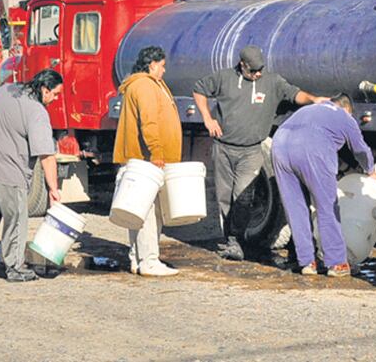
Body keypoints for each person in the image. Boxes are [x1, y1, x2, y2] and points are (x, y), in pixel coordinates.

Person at [193, 44, 325, 260]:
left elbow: (295, 94)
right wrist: (207, 118)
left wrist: (314, 100)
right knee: (225, 197)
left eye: (260, 69)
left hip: (252, 151)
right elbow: (199, 89)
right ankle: (232, 241)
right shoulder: (224, 78)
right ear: (242, 65)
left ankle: (237, 237)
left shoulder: (272, 82)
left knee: (243, 197)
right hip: (224, 148)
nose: (258, 74)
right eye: (253, 70)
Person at [0, 69, 62, 282]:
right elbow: (46, 155)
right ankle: (15, 268)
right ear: (45, 90)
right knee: (15, 219)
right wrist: (53, 189)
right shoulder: (36, 111)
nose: (56, 99)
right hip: (7, 171)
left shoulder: (5, 90)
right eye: (55, 94)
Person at [272, 93, 376, 277]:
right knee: (327, 206)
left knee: (295, 207)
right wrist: (371, 171)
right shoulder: (344, 116)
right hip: (311, 147)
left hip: (279, 145)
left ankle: (307, 262)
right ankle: (337, 263)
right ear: (347, 108)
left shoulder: (310, 109)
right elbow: (360, 149)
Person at [113, 45, 182, 277]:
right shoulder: (144, 85)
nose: (164, 70)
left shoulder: (144, 84)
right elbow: (149, 122)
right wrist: (156, 151)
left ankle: (137, 258)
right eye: (162, 66)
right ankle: (149, 261)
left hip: (143, 159)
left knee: (138, 209)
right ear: (152, 65)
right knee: (148, 212)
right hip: (147, 160)